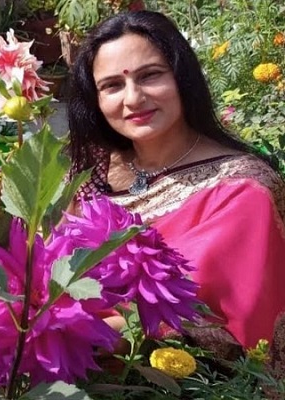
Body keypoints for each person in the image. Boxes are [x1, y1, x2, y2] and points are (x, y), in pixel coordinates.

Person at [65, 10, 285, 350]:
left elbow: (214, 322)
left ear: (182, 78)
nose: (133, 98)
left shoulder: (243, 189)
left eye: (150, 76)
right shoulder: (86, 175)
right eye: (112, 85)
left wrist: (74, 337)